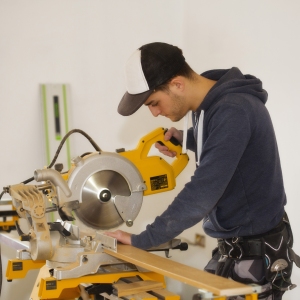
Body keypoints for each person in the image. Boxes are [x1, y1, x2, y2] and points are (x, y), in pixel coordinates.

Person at [105, 42, 300, 299]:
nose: (154, 113)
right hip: (235, 247)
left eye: (154, 103)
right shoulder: (209, 105)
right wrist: (185, 139)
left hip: (258, 252)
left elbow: (202, 192)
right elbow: (226, 143)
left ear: (177, 84)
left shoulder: (233, 109)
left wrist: (145, 239)